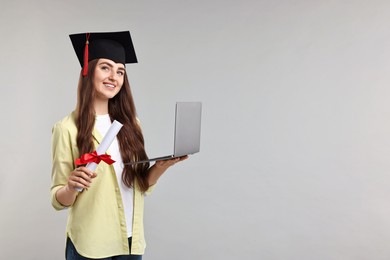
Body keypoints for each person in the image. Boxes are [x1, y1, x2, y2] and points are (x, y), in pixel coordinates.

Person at [50, 31, 187, 260]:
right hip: (91, 244)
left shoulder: (132, 125)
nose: (114, 76)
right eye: (105, 67)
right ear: (88, 70)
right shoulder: (67, 129)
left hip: (130, 241)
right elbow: (58, 200)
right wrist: (71, 186)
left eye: (120, 71)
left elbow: (140, 185)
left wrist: (162, 166)